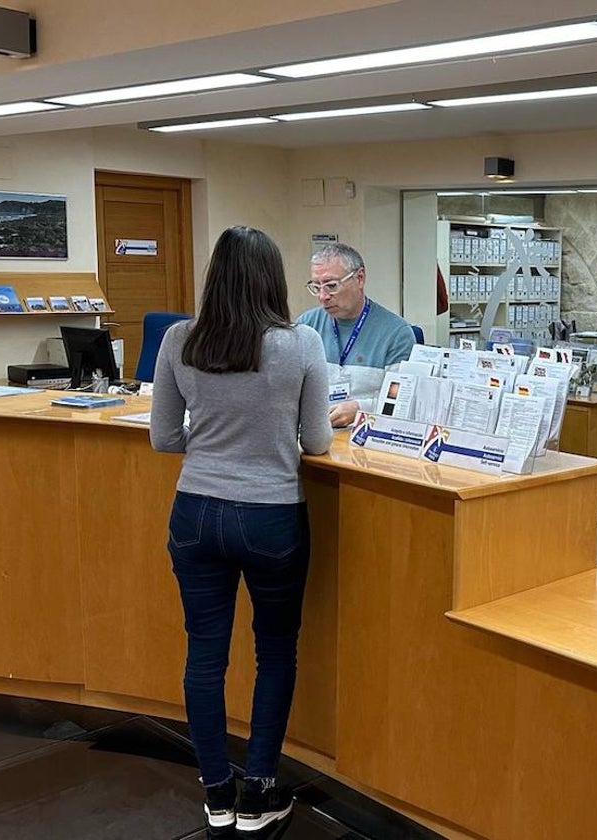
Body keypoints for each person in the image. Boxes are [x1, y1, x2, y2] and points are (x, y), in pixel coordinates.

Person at [150, 226, 333, 834]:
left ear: (214, 275)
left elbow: (164, 437)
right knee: (274, 648)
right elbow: (318, 441)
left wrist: (214, 433)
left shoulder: (180, 339)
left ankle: (216, 791)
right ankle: (258, 788)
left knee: (205, 650)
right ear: (273, 278)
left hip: (195, 511)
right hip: (271, 514)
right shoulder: (301, 343)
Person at [296, 242, 415, 427]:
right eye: (316, 287)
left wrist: (362, 409)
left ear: (359, 278)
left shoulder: (397, 333)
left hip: (368, 438)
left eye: (331, 285)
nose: (323, 296)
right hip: (315, 436)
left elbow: (402, 402)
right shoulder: (306, 325)